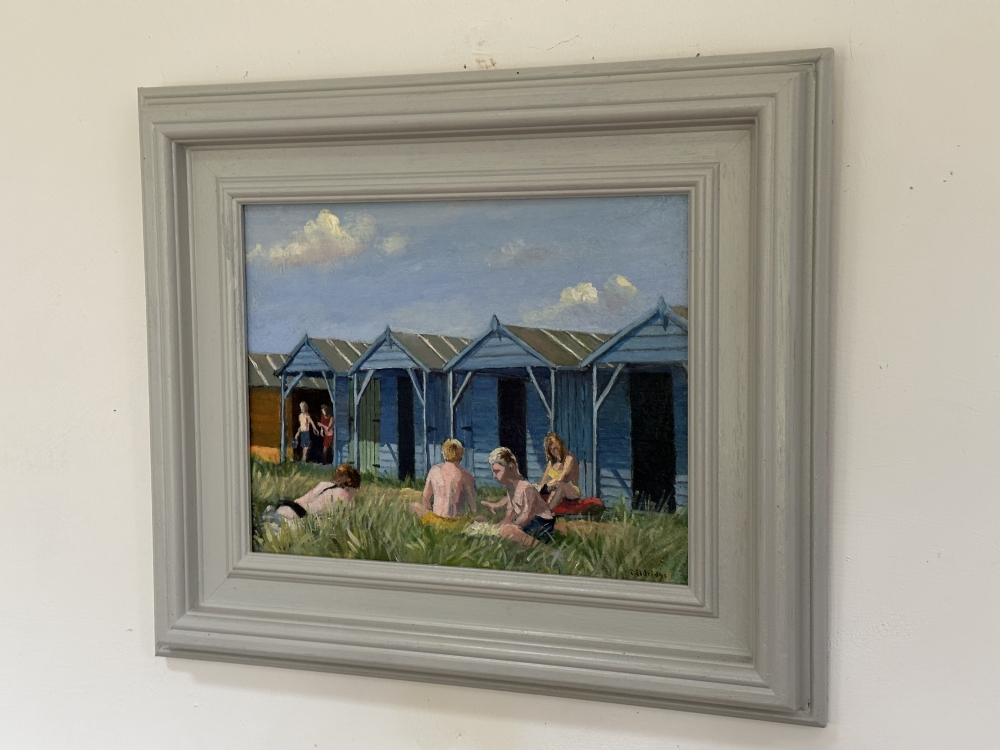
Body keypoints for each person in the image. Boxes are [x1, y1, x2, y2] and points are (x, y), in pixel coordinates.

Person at [480, 446, 555, 545]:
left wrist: (512, 526)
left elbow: (527, 515)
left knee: (508, 530)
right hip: (528, 524)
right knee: (500, 529)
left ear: (511, 468)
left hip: (541, 524)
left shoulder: (526, 487)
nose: (494, 476)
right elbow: (510, 515)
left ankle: (546, 550)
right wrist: (497, 527)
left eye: (497, 471)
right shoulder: (510, 488)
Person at [410, 439, 477, 528]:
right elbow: (473, 507)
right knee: (482, 518)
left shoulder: (434, 471)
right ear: (462, 454)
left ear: (444, 453)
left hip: (437, 520)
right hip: (457, 522)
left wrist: (431, 512)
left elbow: (425, 499)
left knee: (414, 505)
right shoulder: (467, 476)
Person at [271, 463, 362, 521]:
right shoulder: (348, 497)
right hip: (303, 515)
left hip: (293, 509)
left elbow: (301, 499)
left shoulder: (325, 484)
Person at [537, 432, 581, 510]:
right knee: (534, 487)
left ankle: (548, 510)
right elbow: (543, 481)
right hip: (554, 488)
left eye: (555, 448)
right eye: (551, 449)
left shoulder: (568, 458)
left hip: (571, 490)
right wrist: (541, 487)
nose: (553, 451)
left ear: (560, 446)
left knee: (560, 485)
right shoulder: (551, 463)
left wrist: (551, 484)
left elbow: (561, 477)